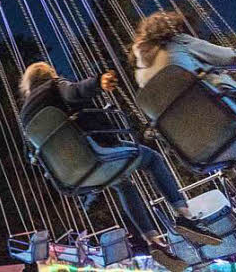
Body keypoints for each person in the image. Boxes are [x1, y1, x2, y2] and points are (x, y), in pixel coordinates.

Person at [18, 62, 222, 271]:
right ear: (49, 74)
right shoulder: (54, 86)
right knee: (152, 159)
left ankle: (154, 242)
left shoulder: (24, 117)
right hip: (94, 153)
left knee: (123, 184)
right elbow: (73, 92)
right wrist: (98, 82)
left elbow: (31, 155)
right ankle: (184, 216)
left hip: (69, 176)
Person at [132, 10, 236, 91]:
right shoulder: (179, 42)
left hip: (182, 127)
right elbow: (229, 57)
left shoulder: (140, 75)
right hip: (224, 109)